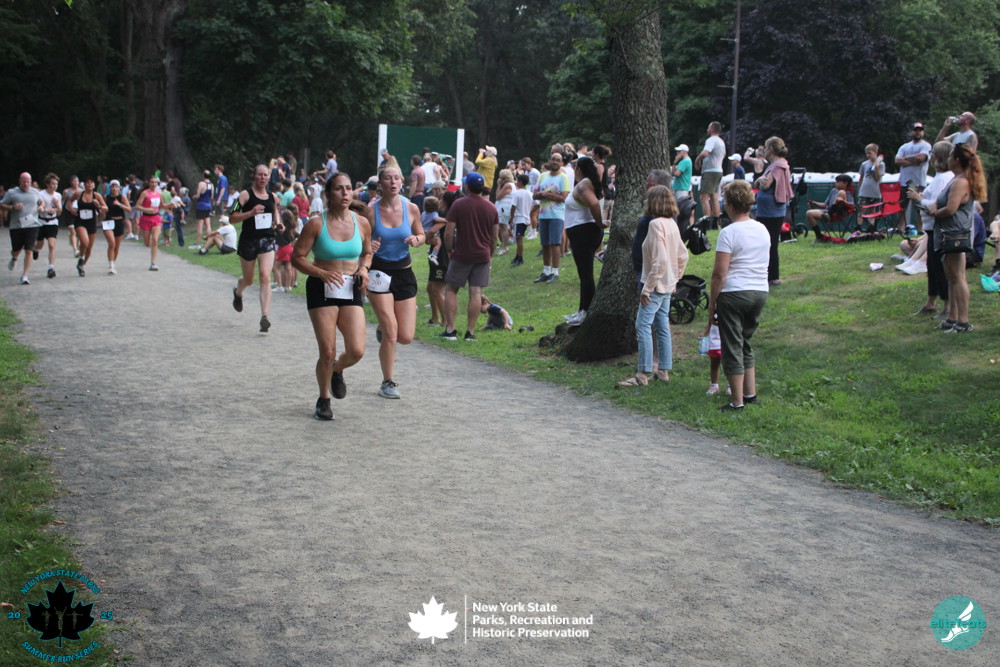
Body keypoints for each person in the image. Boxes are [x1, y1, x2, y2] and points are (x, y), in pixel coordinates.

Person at [291, 172, 372, 420]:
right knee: (327, 350)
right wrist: (321, 273)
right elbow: (297, 258)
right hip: (321, 287)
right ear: (328, 194)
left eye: (348, 188)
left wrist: (364, 269)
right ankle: (324, 399)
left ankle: (337, 370)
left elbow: (367, 252)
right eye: (339, 188)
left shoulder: (362, 223)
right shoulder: (316, 224)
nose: (345, 193)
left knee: (356, 350)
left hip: (350, 287)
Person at [709, 179, 771, 411]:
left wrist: (712, 303)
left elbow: (719, 273)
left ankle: (737, 402)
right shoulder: (762, 229)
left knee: (732, 346)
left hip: (734, 293)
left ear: (730, 205)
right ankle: (750, 394)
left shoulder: (728, 232)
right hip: (759, 291)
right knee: (745, 342)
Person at [618, 185, 687, 387]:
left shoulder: (656, 224)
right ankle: (663, 370)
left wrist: (647, 288)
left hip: (656, 286)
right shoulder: (671, 223)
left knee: (643, 325)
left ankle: (642, 373)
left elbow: (660, 260)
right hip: (667, 284)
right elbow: (683, 255)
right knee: (662, 325)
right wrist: (675, 278)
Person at [368, 165, 425, 398]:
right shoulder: (371, 211)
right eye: (388, 179)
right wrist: (368, 245)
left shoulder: (411, 208)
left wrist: (417, 239)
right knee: (392, 333)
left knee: (405, 337)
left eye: (396, 178)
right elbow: (359, 238)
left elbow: (422, 234)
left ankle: (384, 327)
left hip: (403, 273)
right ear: (380, 184)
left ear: (402, 182)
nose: (393, 182)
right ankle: (387, 382)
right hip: (379, 273)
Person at [926, 143, 985, 333]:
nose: (948, 159)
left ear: (957, 160)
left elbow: (951, 209)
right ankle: (952, 318)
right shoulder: (956, 179)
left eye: (951, 155)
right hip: (948, 234)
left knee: (958, 277)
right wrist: (933, 206)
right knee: (951, 276)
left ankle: (963, 322)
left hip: (956, 235)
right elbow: (943, 202)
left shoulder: (961, 182)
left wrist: (934, 213)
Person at [441, 172, 499, 341]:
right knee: (475, 292)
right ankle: (470, 332)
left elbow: (448, 232)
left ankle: (450, 330)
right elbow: (494, 237)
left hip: (461, 254)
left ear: (467, 187)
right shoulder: (491, 207)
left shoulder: (459, 204)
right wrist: (489, 254)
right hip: (482, 255)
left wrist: (449, 250)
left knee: (451, 290)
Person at [230, 164, 284, 332]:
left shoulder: (273, 196)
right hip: (248, 241)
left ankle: (264, 317)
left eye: (265, 175)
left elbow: (274, 210)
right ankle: (238, 292)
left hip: (267, 239)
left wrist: (278, 223)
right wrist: (250, 213)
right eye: (259, 174)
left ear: (269, 177)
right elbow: (232, 217)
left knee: (265, 276)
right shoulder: (244, 195)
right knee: (248, 279)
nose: (262, 178)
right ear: (254, 176)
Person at [907, 141, 955, 316]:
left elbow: (937, 205)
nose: (931, 155)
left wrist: (919, 199)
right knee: (932, 267)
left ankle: (948, 306)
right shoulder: (940, 176)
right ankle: (931, 303)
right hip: (931, 228)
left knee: (939, 268)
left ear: (939, 156)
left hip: (938, 228)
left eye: (933, 152)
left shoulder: (944, 178)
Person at [562, 156, 605, 326]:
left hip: (583, 232)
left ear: (578, 169)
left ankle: (586, 312)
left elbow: (594, 204)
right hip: (581, 231)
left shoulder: (583, 186)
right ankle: (582, 309)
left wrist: (600, 222)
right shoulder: (585, 184)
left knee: (586, 274)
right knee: (584, 274)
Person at [752, 136, 791, 285]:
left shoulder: (776, 166)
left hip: (771, 212)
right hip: (771, 210)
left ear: (771, 149)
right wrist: (759, 181)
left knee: (769, 243)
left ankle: (772, 277)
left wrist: (758, 180)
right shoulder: (779, 164)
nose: (764, 150)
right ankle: (768, 275)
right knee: (769, 243)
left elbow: (764, 184)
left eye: (766, 147)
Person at [533, 153, 571, 283]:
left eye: (558, 160)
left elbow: (563, 198)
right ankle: (546, 271)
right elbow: (534, 195)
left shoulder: (563, 177)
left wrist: (546, 195)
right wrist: (542, 194)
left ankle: (555, 272)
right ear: (549, 161)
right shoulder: (543, 176)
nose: (555, 162)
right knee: (545, 244)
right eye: (553, 159)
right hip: (543, 215)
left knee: (555, 243)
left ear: (561, 163)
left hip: (556, 215)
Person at [0, 172, 43, 284]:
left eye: (28, 182)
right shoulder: (12, 192)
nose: (26, 184)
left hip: (32, 225)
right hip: (16, 226)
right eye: (23, 181)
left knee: (29, 250)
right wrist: (13, 207)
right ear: (19, 181)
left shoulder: (35, 192)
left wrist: (41, 207)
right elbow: (1, 205)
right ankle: (14, 258)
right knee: (16, 250)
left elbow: (41, 202)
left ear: (31, 182)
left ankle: (25, 275)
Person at [894, 122, 932, 231]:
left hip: (917, 182)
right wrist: (913, 161)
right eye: (916, 130)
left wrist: (905, 158)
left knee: (919, 207)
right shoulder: (904, 146)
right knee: (902, 206)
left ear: (923, 132)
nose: (918, 132)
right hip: (904, 182)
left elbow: (921, 158)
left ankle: (921, 230)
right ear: (912, 132)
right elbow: (897, 160)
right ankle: (899, 229)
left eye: (920, 130)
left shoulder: (925, 145)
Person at [70, 177, 109, 276]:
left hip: (91, 222)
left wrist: (99, 206)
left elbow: (106, 208)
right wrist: (72, 209)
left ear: (94, 185)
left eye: (91, 183)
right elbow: (70, 201)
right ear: (84, 185)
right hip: (80, 221)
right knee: (85, 242)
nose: (89, 184)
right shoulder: (79, 194)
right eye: (87, 182)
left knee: (89, 248)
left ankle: (81, 265)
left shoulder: (97, 196)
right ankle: (81, 258)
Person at [694, 121, 726, 226]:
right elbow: (724, 155)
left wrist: (697, 159)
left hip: (710, 171)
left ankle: (706, 223)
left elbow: (705, 153)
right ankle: (715, 223)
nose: (707, 130)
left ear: (712, 129)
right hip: (719, 170)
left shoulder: (711, 140)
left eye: (708, 128)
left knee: (703, 197)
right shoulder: (721, 141)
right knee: (714, 197)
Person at [805, 175, 854, 239]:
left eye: (838, 181)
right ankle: (819, 236)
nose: (836, 183)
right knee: (809, 213)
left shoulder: (848, 193)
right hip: (827, 211)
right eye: (836, 181)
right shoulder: (833, 190)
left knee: (841, 192)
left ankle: (829, 214)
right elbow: (825, 204)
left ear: (845, 183)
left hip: (838, 213)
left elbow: (851, 205)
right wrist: (814, 203)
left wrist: (842, 202)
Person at [35, 173, 61, 279]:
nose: (55, 186)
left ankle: (51, 268)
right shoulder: (41, 194)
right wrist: (46, 210)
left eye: (56, 184)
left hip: (52, 222)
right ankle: (35, 249)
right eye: (53, 184)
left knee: (51, 245)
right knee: (40, 244)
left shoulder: (58, 195)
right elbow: (39, 209)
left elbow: (60, 211)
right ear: (47, 184)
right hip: (41, 222)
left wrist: (57, 205)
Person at [136, 175, 164, 271]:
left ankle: (153, 263)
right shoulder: (145, 193)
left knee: (155, 240)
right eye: (152, 182)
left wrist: (171, 205)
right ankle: (151, 244)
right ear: (148, 183)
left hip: (156, 218)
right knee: (147, 244)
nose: (154, 184)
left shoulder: (159, 194)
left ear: (157, 184)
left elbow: (162, 206)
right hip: (146, 219)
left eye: (155, 182)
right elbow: (137, 206)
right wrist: (147, 209)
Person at [103, 179, 131, 274]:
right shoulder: (106, 197)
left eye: (116, 187)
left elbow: (129, 209)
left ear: (119, 188)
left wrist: (119, 204)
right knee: (112, 243)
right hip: (108, 222)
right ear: (110, 188)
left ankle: (113, 263)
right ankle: (111, 265)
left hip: (119, 221)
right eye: (112, 187)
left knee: (116, 246)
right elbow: (102, 208)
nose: (114, 188)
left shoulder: (122, 197)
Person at [857, 143, 884, 223]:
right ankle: (859, 226)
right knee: (862, 209)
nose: (868, 155)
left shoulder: (881, 164)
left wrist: (876, 168)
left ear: (875, 152)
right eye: (866, 153)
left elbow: (878, 178)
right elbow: (861, 178)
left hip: (875, 192)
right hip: (864, 191)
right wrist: (859, 190)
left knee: (873, 211)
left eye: (870, 153)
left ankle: (871, 227)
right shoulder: (864, 164)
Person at [509, 173, 533, 266]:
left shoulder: (516, 193)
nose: (516, 183)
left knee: (519, 239)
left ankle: (520, 258)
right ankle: (517, 256)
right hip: (526, 218)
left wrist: (511, 218)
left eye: (518, 181)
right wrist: (529, 212)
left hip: (519, 218)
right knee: (519, 238)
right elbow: (536, 204)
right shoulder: (530, 193)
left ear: (521, 182)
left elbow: (513, 206)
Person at [274, 209, 297, 293]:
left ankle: (280, 286)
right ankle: (288, 286)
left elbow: (274, 234)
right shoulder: (292, 229)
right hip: (290, 248)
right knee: (288, 267)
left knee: (276, 267)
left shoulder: (280, 228)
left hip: (282, 248)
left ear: (283, 219)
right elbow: (298, 236)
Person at [494, 169, 515, 255]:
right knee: (502, 226)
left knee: (503, 227)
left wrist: (499, 185)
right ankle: (504, 245)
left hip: (504, 208)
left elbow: (497, 196)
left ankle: (504, 247)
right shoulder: (511, 185)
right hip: (504, 207)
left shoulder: (507, 185)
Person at [193, 170, 214, 246]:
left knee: (200, 225)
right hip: (208, 205)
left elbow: (198, 195)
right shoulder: (211, 184)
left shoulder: (201, 184)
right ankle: (209, 241)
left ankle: (197, 242)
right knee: (208, 225)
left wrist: (194, 196)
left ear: (203, 175)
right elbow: (211, 196)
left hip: (201, 205)